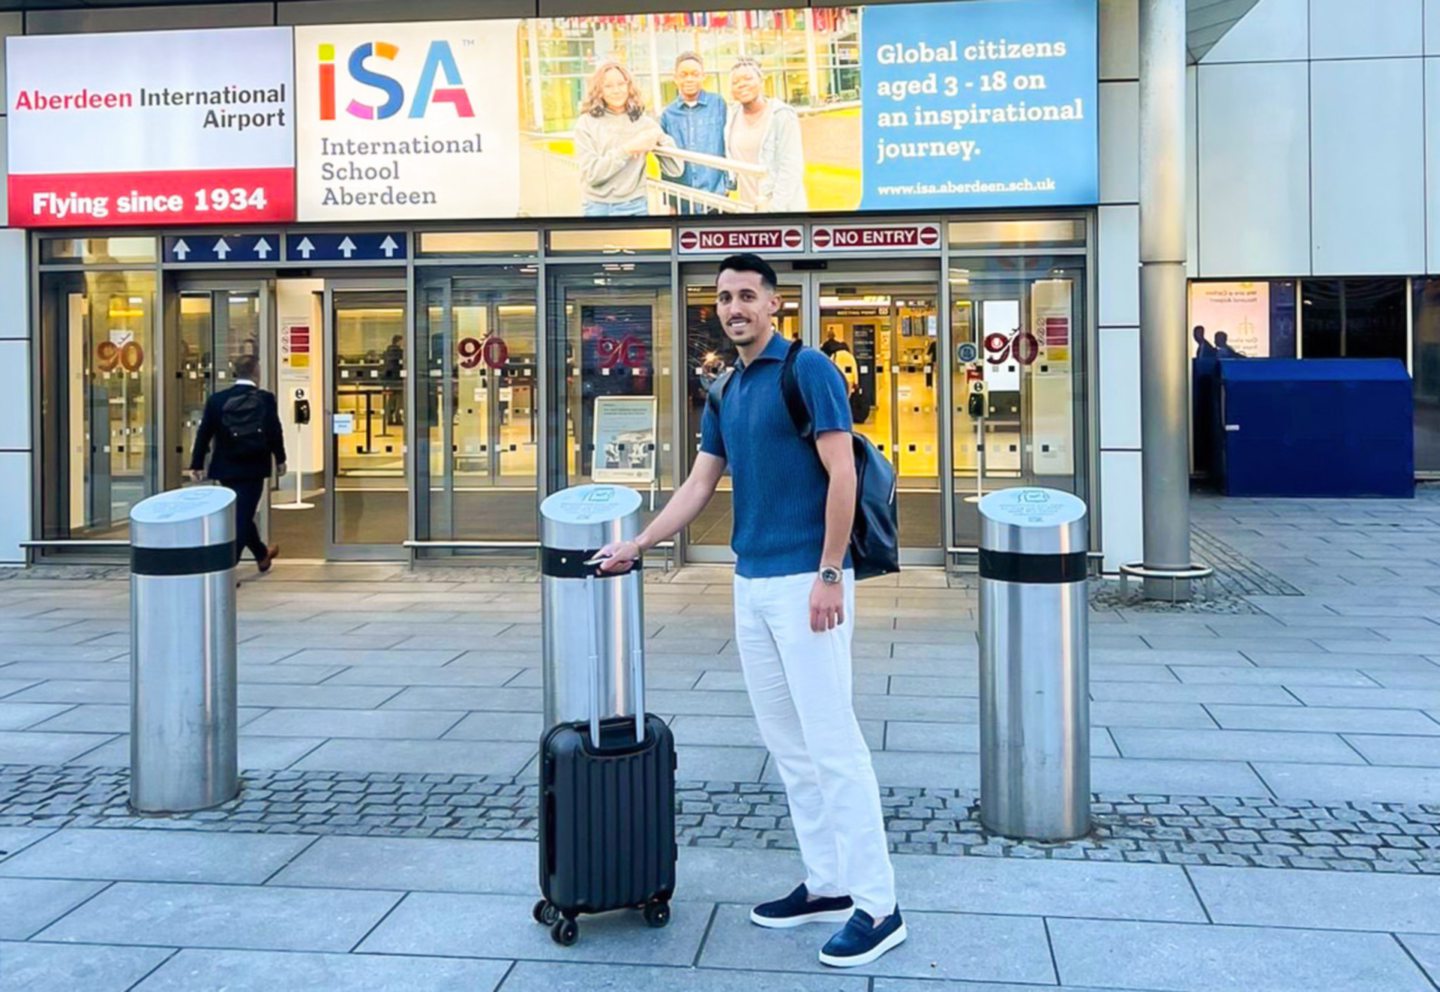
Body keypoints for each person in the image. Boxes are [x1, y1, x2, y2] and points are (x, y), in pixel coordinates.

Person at [595, 253, 904, 969]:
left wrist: (831, 571)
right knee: (789, 745)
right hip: (752, 584)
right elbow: (699, 485)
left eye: (747, 296)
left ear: (774, 303)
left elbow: (843, 474)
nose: (734, 307)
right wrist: (638, 542)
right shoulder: (726, 389)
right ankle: (827, 883)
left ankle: (880, 905)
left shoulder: (809, 370)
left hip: (808, 583)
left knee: (833, 744)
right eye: (724, 297)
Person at [188, 354, 285, 573]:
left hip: (226, 467)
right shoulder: (265, 398)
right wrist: (280, 459)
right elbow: (273, 431)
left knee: (241, 513)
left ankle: (261, 554)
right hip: (254, 465)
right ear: (256, 372)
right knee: (242, 516)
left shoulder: (217, 400)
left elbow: (204, 433)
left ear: (235, 372)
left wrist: (196, 463)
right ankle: (225, 568)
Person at [574, 60, 681, 217]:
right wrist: (628, 149)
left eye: (621, 84)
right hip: (597, 208)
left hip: (635, 206)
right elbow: (592, 175)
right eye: (608, 86)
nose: (616, 90)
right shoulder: (586, 123)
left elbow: (676, 169)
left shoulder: (643, 123)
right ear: (599, 91)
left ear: (629, 87)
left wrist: (658, 138)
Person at [725, 58, 808, 213]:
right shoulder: (731, 115)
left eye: (748, 78)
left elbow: (791, 168)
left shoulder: (782, 115)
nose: (741, 84)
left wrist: (773, 211)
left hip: (781, 209)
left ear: (761, 81)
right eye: (735, 82)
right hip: (748, 208)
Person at [659, 51, 729, 213]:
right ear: (675, 78)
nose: (689, 79)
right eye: (683, 75)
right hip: (684, 199)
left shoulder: (718, 104)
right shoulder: (668, 114)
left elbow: (728, 146)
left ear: (703, 76)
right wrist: (672, 203)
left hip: (716, 197)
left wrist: (727, 186)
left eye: (695, 74)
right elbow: (666, 161)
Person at [382, 334, 404, 427]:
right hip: (398, 378)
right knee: (399, 398)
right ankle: (398, 417)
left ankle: (389, 418)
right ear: (398, 341)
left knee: (391, 399)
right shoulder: (400, 352)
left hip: (389, 379)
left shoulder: (386, 352)